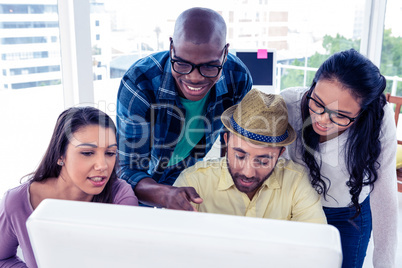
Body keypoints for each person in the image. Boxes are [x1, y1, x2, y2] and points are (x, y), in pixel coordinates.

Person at [116, 7, 252, 210]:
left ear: (225, 53)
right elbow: (128, 170)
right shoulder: (139, 82)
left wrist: (227, 178)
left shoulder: (238, 78)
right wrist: (164, 195)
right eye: (181, 63)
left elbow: (232, 139)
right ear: (171, 47)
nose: (194, 77)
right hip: (144, 177)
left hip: (186, 170)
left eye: (209, 66)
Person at [280, 49, 398, 268]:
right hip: (298, 211)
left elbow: (384, 192)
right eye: (317, 103)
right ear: (313, 84)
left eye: (341, 115)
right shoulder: (288, 103)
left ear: (361, 113)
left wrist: (386, 264)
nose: (322, 119)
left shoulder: (379, 120)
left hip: (350, 216)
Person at [0, 107, 139, 268]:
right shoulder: (17, 202)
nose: (102, 166)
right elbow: (2, 259)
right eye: (87, 153)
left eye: (110, 153)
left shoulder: (121, 197)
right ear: (60, 155)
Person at [173, 89, 327, 223]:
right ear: (226, 142)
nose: (248, 172)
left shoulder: (296, 182)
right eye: (239, 156)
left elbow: (316, 243)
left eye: (263, 161)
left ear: (281, 153)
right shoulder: (193, 182)